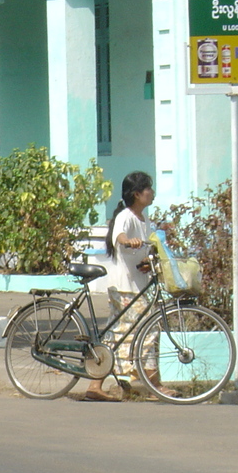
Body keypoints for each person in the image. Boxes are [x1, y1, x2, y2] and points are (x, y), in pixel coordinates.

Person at [83, 171, 175, 401]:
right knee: (146, 332)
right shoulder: (126, 216)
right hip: (125, 287)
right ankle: (156, 386)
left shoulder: (145, 221)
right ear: (137, 194)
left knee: (120, 335)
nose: (152, 193)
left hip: (138, 285)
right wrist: (128, 241)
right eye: (148, 189)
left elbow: (148, 247)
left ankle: (98, 384)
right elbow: (120, 236)